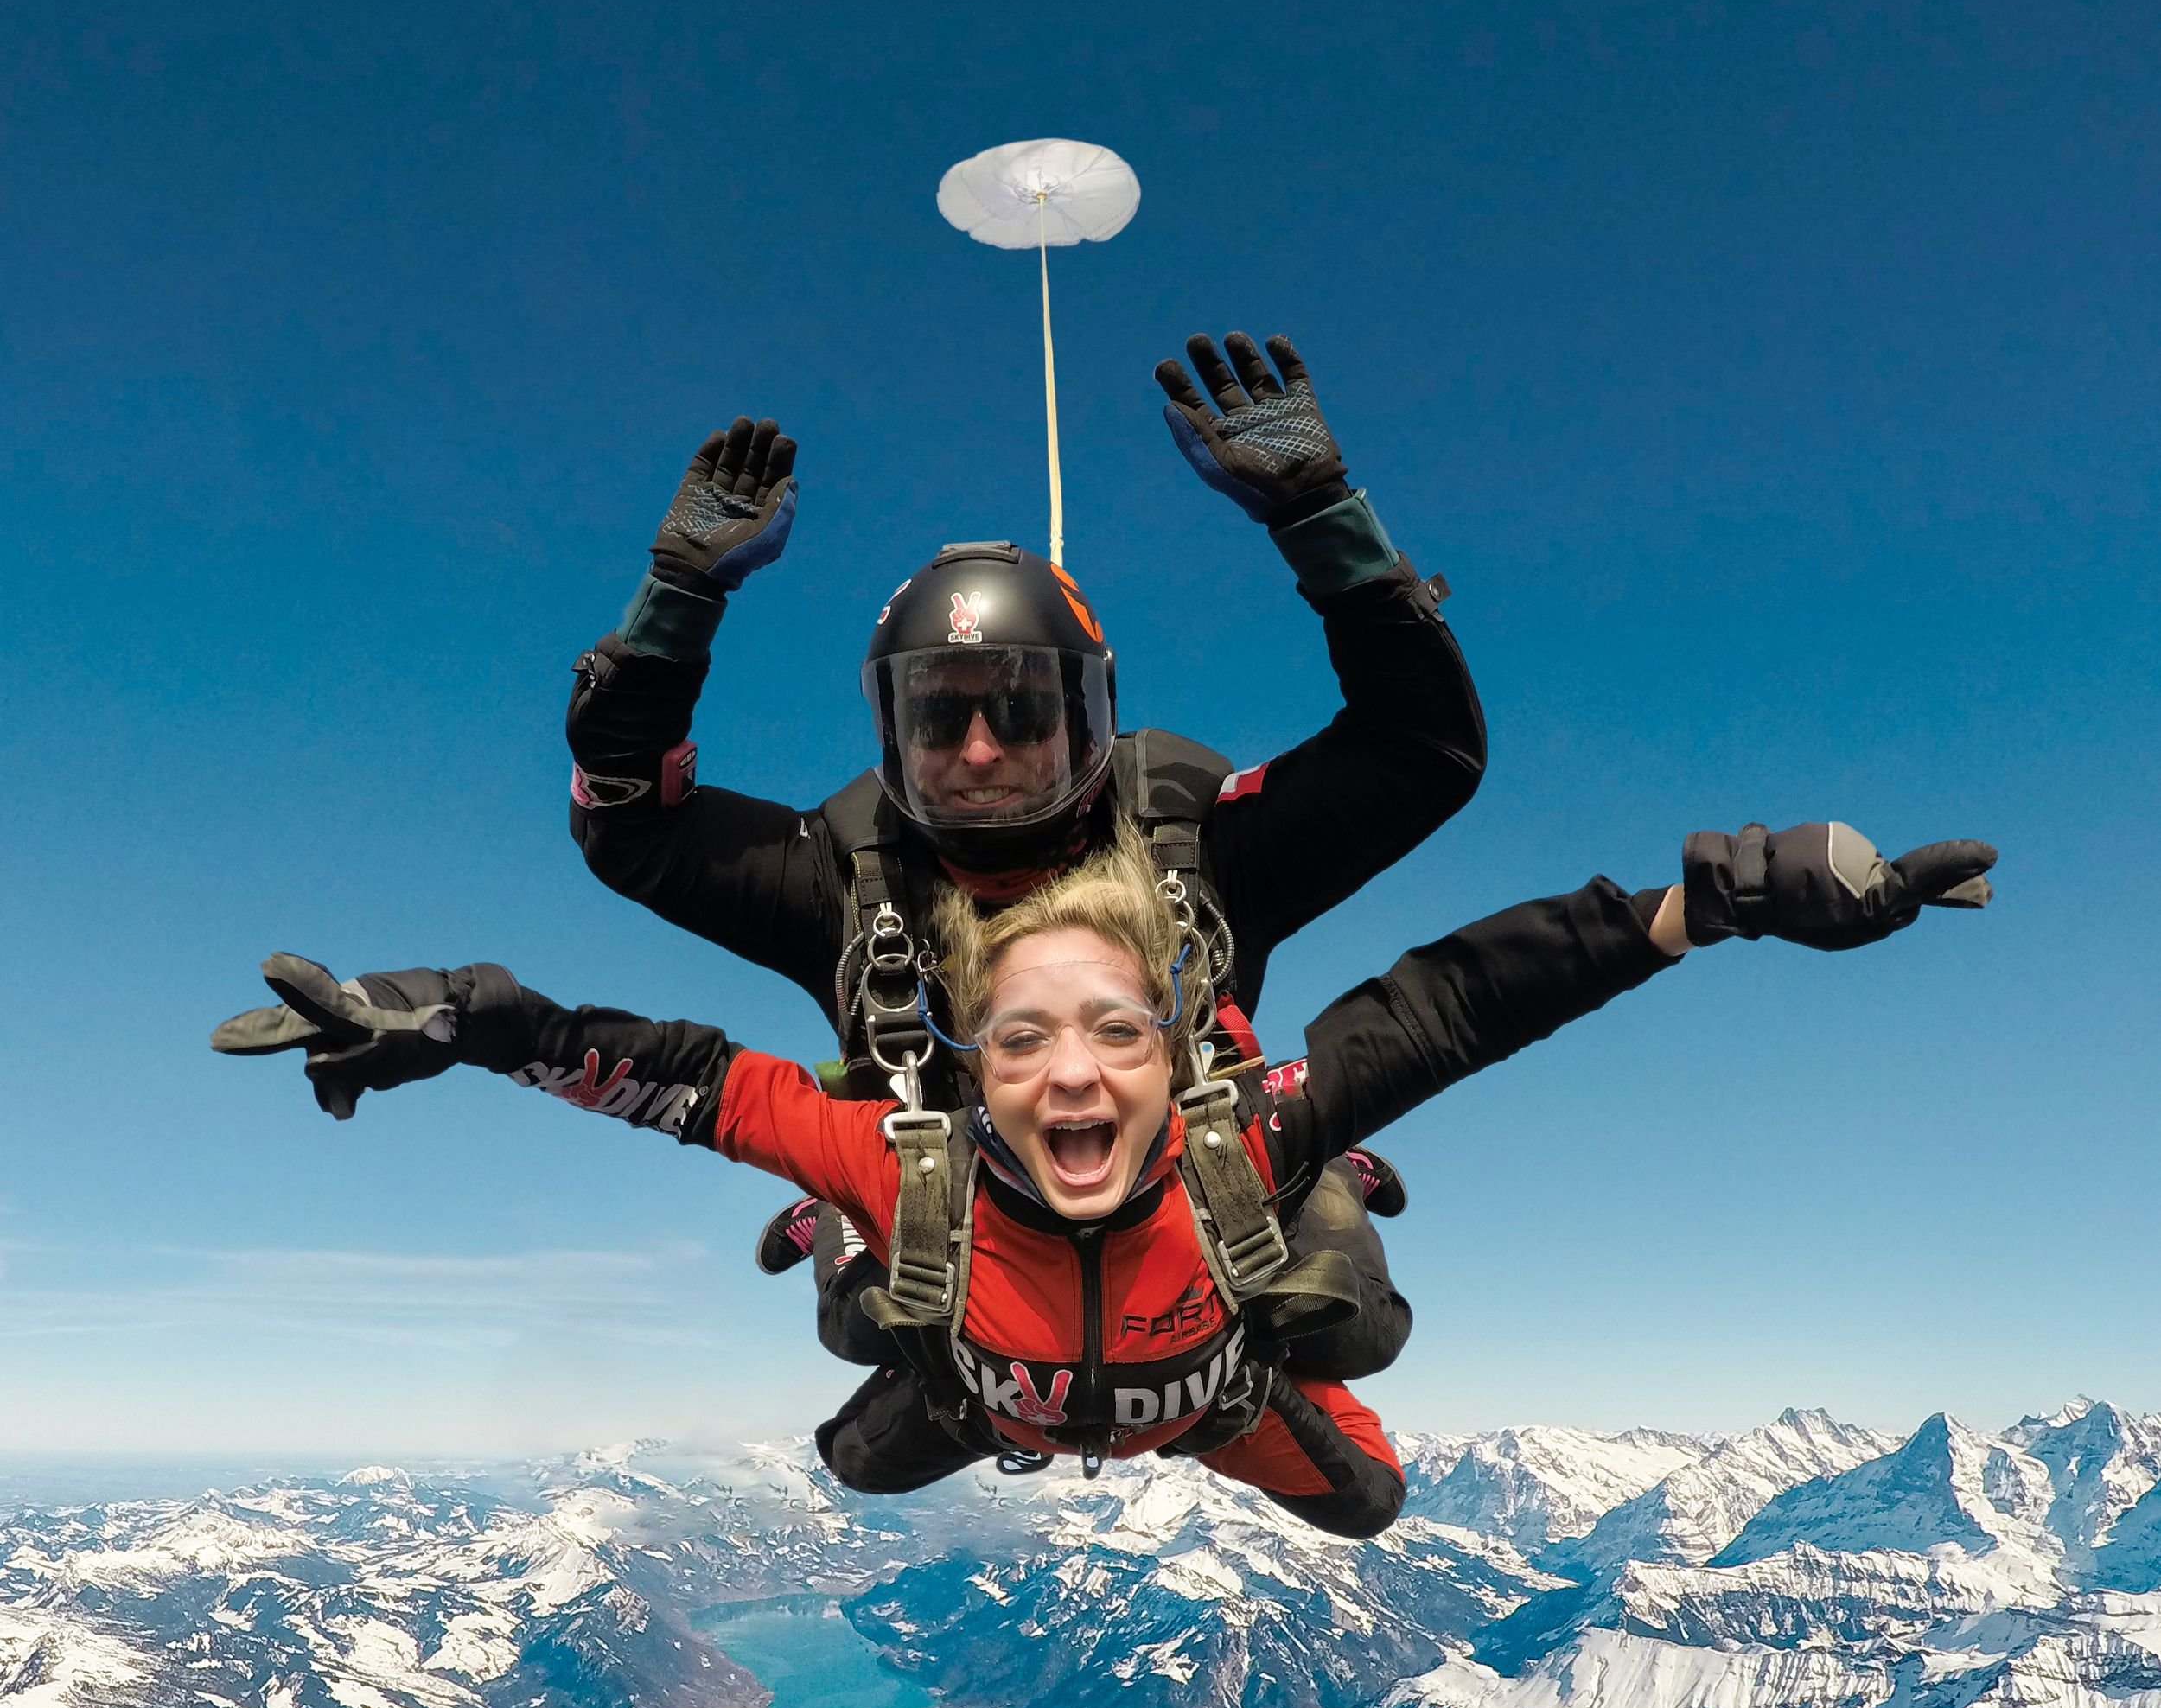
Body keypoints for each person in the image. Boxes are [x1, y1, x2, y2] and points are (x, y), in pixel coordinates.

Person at [213, 816, 1997, 1539]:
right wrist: (473, 1018)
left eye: (1116, 1032)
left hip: (1208, 1394)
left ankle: (1302, 1257)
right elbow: (670, 1074)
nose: (1071, 1071)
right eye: (1022, 1039)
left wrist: (1717, 901)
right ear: (967, 1064)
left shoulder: (1249, 1130)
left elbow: (1461, 998)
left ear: (1177, 1048)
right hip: (983, 1381)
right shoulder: (894, 1147)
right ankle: (860, 1269)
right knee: (855, 1445)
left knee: (1369, 1494)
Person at [560, 333, 1486, 1397]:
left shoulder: (1189, 838)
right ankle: (856, 1210)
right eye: (937, 718)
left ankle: (1309, 1162)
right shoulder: (844, 875)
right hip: (949, 1192)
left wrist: (1325, 521)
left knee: (1344, 1325)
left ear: (1089, 718)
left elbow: (1421, 753)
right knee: (881, 1332)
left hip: (1190, 1171)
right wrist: (675, 599)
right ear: (890, 734)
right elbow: (628, 823)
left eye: (1019, 709)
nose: (980, 751)